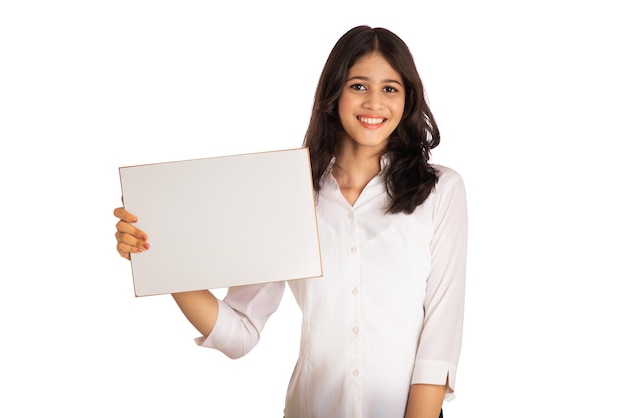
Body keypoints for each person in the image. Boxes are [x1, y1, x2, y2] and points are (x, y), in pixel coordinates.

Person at [114, 25, 467, 418]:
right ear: (334, 94)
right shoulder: (290, 194)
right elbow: (239, 333)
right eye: (358, 86)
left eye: (390, 89)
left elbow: (439, 339)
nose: (374, 103)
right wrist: (161, 256)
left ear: (407, 99)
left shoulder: (440, 191)